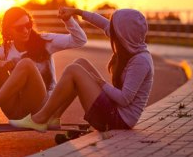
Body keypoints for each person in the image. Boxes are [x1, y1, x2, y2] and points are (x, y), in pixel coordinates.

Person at [9, 7, 154, 132]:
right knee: (81, 63)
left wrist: (101, 83)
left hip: (118, 120)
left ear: (124, 35)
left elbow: (124, 99)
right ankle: (53, 118)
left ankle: (39, 119)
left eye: (114, 29)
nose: (110, 31)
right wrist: (76, 12)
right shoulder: (130, 43)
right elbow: (101, 22)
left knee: (74, 70)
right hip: (114, 111)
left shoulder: (140, 61)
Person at [0, 6, 88, 127]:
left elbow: (80, 40)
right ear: (8, 31)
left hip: (42, 108)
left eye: (28, 25)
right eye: (20, 28)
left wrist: (68, 20)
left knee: (25, 63)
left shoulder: (44, 41)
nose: (26, 30)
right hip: (16, 110)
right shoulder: (5, 49)